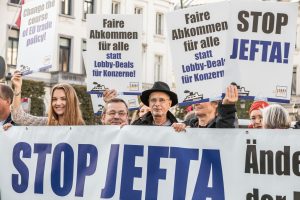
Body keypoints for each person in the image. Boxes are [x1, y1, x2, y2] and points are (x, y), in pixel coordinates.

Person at [8, 71, 85, 126]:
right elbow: (18, 117)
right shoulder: (47, 123)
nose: (58, 103)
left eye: (63, 99)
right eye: (54, 99)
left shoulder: (82, 129)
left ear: (72, 101)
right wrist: (17, 88)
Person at [172, 84, 238, 131]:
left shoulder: (221, 126)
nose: (196, 103)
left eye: (202, 99)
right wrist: (179, 127)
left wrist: (227, 106)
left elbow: (225, 125)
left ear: (215, 103)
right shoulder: (187, 126)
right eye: (195, 99)